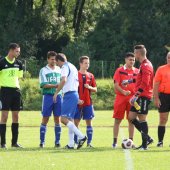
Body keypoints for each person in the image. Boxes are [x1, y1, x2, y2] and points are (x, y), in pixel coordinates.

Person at [53, 53, 87, 149]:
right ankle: (71, 144)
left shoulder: (64, 67)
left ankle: (81, 136)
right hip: (74, 93)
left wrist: (56, 92)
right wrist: (76, 98)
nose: (57, 65)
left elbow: (64, 80)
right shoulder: (72, 66)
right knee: (70, 119)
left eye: (57, 63)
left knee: (63, 119)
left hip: (69, 94)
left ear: (59, 61)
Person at [128, 45, 154, 150]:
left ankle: (144, 145)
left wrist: (135, 95)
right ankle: (148, 138)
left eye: (135, 53)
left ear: (138, 54)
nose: (134, 55)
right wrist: (129, 81)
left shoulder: (146, 65)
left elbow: (145, 83)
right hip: (140, 96)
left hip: (143, 96)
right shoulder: (142, 65)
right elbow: (139, 79)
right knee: (131, 117)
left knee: (142, 119)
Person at [112, 52, 138, 148]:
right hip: (121, 98)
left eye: (133, 60)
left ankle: (131, 141)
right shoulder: (119, 70)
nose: (132, 61)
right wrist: (123, 92)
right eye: (130, 59)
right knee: (117, 120)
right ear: (125, 60)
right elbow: (116, 85)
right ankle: (114, 142)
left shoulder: (137, 71)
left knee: (131, 120)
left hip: (132, 99)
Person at [0, 43, 23, 148]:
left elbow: (18, 78)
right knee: (4, 116)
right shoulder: (1, 62)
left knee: (16, 116)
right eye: (17, 51)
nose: (19, 53)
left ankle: (14, 143)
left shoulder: (19, 63)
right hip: (5, 91)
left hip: (16, 92)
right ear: (11, 50)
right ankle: (3, 143)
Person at [39, 51, 62, 148]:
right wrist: (56, 85)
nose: (54, 61)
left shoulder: (59, 69)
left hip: (59, 96)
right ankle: (42, 141)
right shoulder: (43, 70)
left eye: (55, 59)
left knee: (58, 118)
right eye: (52, 59)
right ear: (48, 59)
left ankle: (57, 142)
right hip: (48, 96)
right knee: (45, 118)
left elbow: (63, 82)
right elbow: (43, 85)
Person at [74, 56, 97, 148]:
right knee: (76, 122)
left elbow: (95, 89)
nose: (87, 65)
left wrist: (89, 87)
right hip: (77, 103)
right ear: (80, 64)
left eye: (88, 63)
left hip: (88, 103)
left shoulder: (91, 76)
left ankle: (89, 143)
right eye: (85, 63)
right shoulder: (75, 75)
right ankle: (75, 142)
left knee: (89, 122)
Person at [153, 52, 170, 147]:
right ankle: (160, 141)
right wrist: (156, 98)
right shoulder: (161, 69)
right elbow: (156, 84)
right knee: (163, 119)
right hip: (164, 96)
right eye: (169, 57)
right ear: (166, 58)